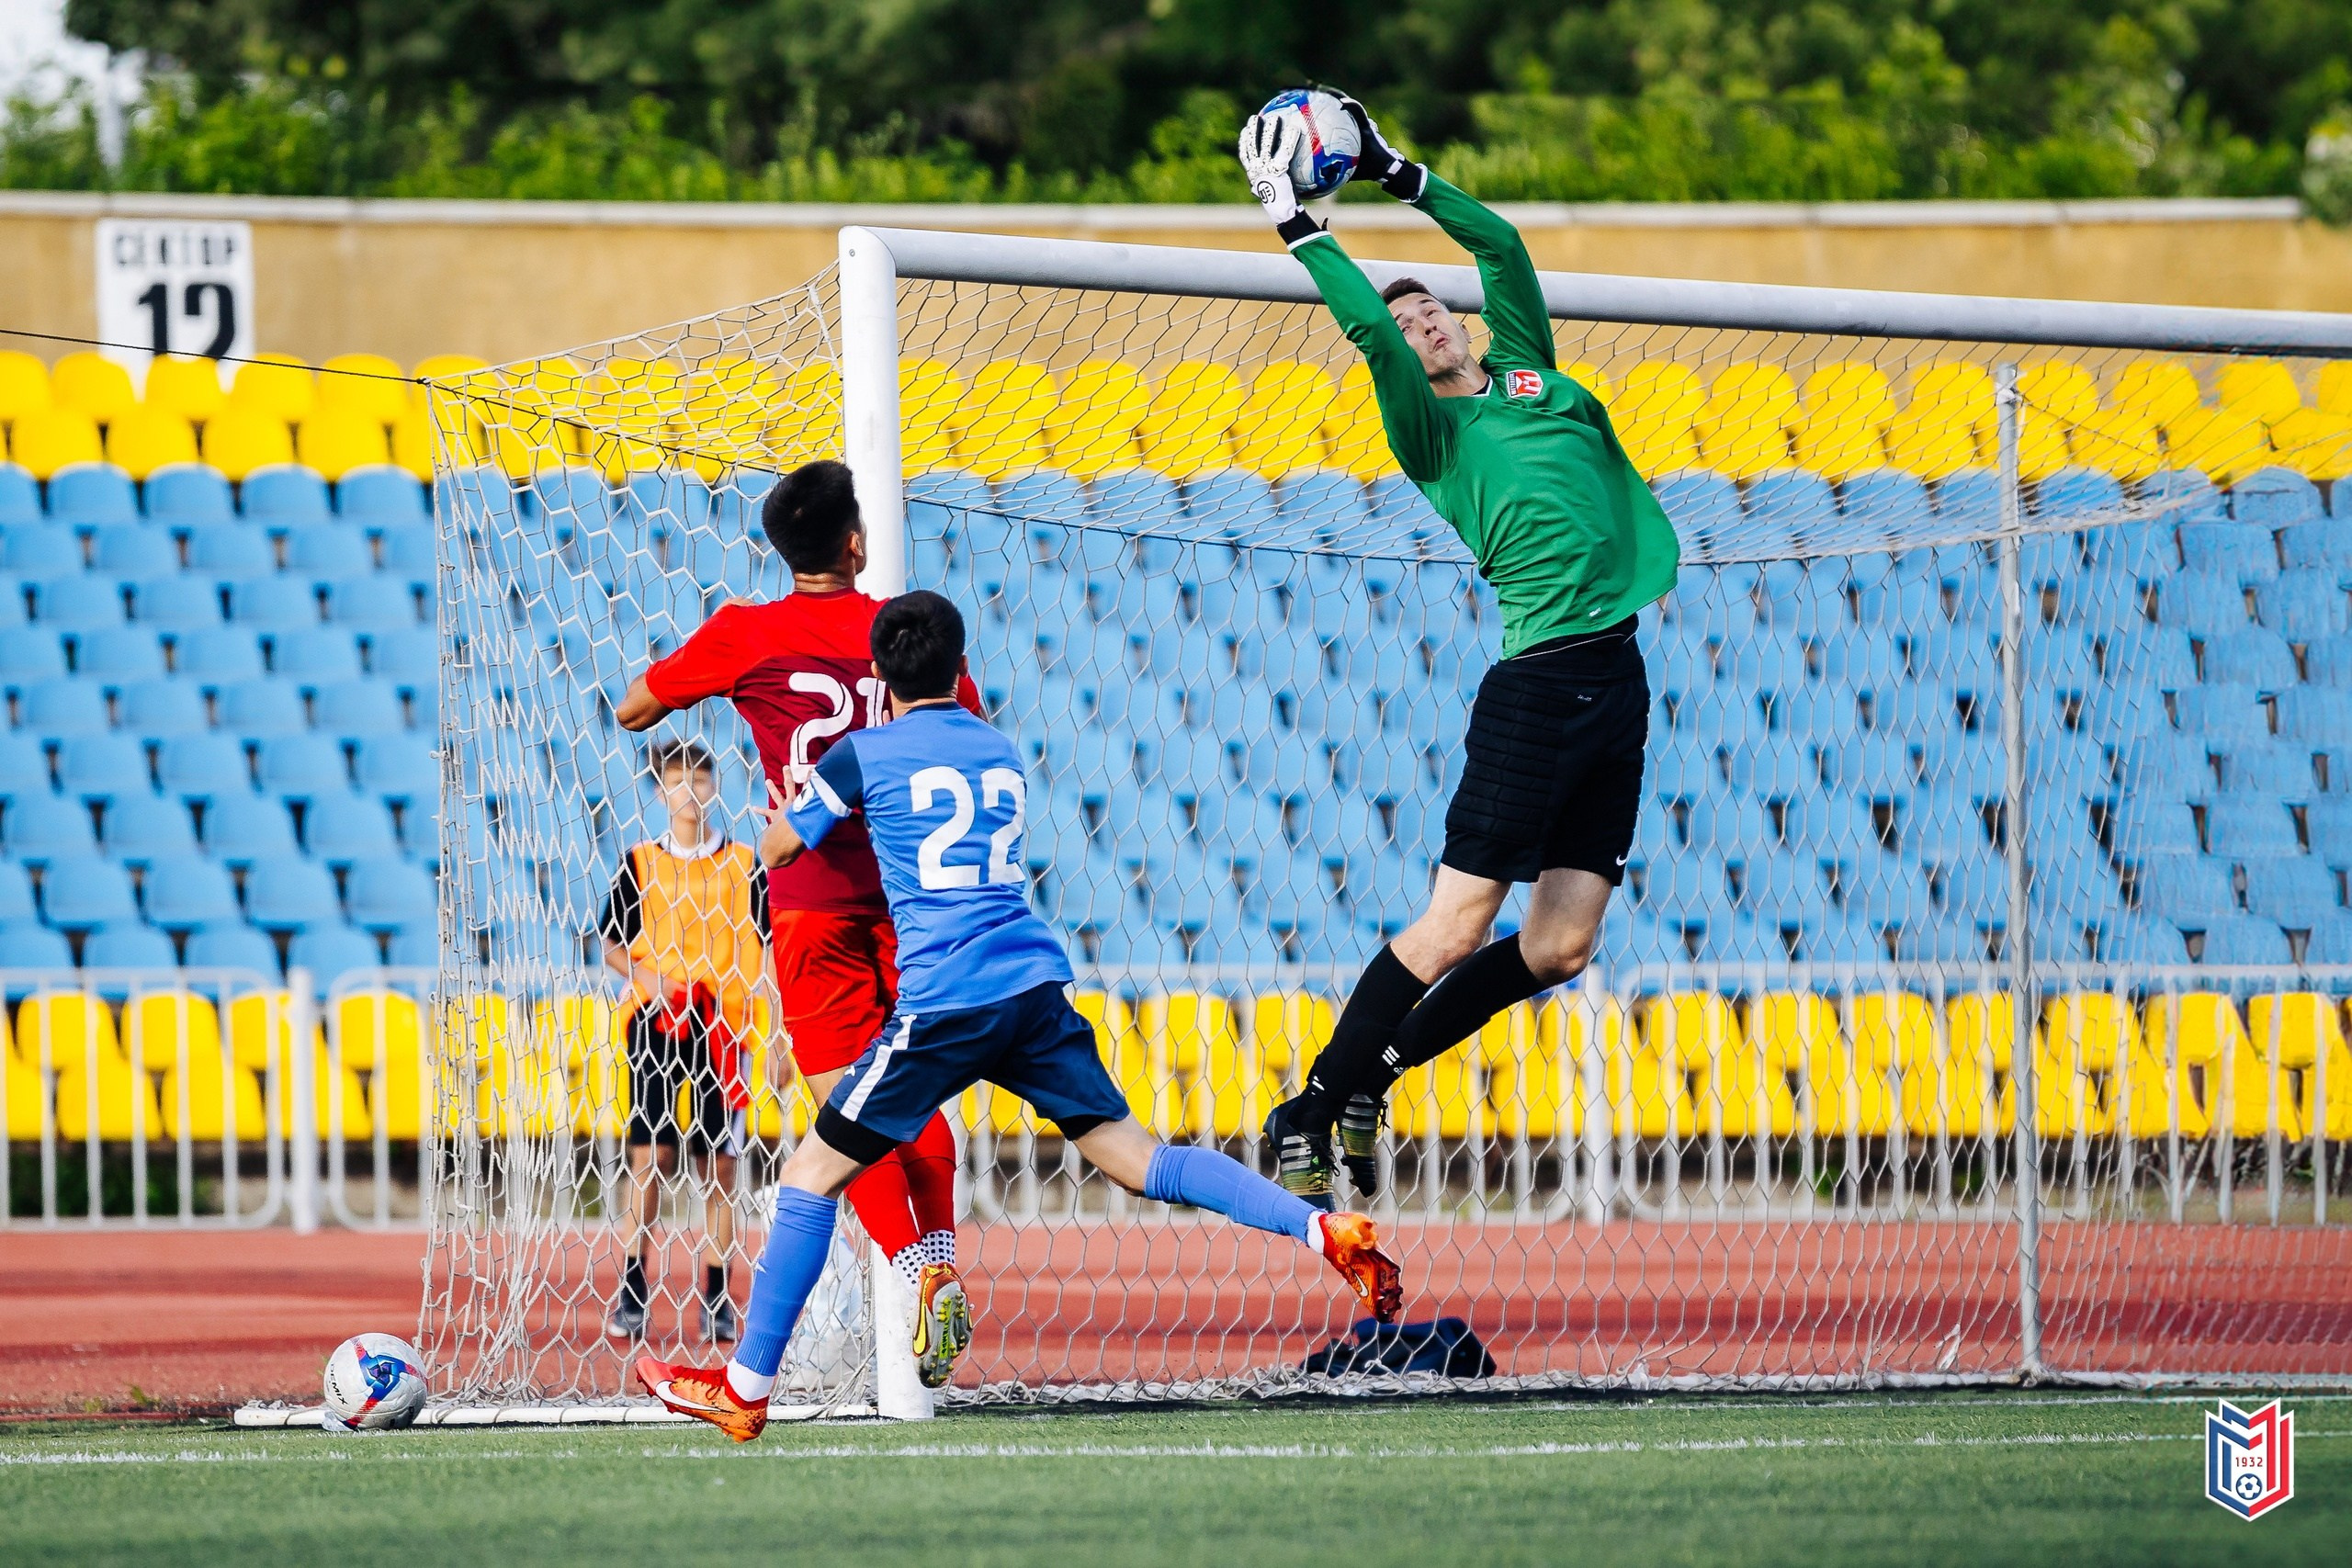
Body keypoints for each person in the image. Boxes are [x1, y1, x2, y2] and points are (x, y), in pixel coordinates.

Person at [635, 591, 1403, 1441]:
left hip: (944, 1002)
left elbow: (781, 846)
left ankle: (743, 1389)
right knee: (1141, 1159)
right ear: (959, 667)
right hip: (1033, 988)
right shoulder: (999, 750)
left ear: (880, 675)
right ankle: (1318, 1226)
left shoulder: (862, 754)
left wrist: (784, 813)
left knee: (813, 1174)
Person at [1238, 93, 1681, 1204]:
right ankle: (1307, 1105)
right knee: (1454, 923)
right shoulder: (1431, 430)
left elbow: (1503, 246)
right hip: (1536, 685)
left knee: (1560, 948)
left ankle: (1368, 1075)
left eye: (1431, 306)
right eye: (1408, 318)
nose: (1424, 319)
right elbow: (1361, 326)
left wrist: (1397, 171)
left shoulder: (1529, 370)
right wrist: (1301, 227)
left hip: (1616, 679)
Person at [616, 460, 978, 1387]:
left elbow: (635, 708)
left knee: (847, 1110)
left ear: (783, 551)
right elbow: (960, 721)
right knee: (917, 1091)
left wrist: (730, 683)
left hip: (811, 896)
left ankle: (913, 1271)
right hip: (910, 895)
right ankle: (937, 1255)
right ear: (855, 543)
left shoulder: (749, 633)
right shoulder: (901, 630)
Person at [599, 739, 767, 1346]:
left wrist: (770, 1035)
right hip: (656, 1022)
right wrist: (649, 978)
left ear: (713, 785)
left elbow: (766, 951)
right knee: (650, 1158)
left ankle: (718, 1294)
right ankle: (633, 1288)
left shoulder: (744, 864)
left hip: (722, 1025)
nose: (689, 793)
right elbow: (611, 942)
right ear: (661, 790)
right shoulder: (640, 861)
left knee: (719, 1164)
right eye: (677, 782)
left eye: (698, 780)